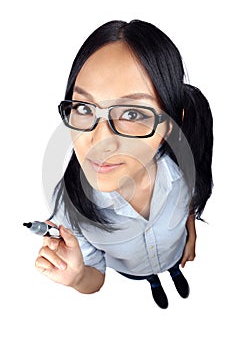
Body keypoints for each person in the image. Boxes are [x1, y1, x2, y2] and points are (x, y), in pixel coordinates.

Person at [35, 20, 213, 309]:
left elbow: (190, 200)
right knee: (149, 277)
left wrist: (191, 235)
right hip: (134, 271)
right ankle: (154, 282)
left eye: (131, 113)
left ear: (171, 125)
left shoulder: (181, 169)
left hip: (175, 253)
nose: (99, 140)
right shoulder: (68, 206)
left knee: (172, 267)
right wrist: (77, 275)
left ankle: (172, 273)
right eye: (83, 107)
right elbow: (96, 275)